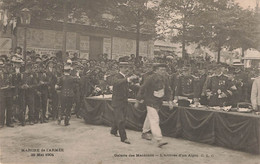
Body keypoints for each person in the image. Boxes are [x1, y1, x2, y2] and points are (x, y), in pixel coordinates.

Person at [135, 63, 173, 148]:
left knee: (149, 117)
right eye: (161, 70)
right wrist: (138, 100)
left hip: (158, 102)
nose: (163, 71)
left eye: (164, 70)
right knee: (154, 119)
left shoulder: (165, 79)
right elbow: (142, 88)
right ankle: (159, 139)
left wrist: (170, 101)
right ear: (155, 70)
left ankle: (144, 133)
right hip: (150, 101)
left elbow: (168, 90)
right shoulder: (150, 78)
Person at [109, 62, 137, 144]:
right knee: (121, 120)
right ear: (120, 68)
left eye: (127, 67)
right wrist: (127, 80)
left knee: (119, 117)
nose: (127, 69)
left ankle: (113, 131)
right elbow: (116, 83)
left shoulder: (125, 77)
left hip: (124, 101)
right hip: (117, 102)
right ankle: (123, 138)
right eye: (125, 67)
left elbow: (128, 86)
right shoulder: (116, 76)